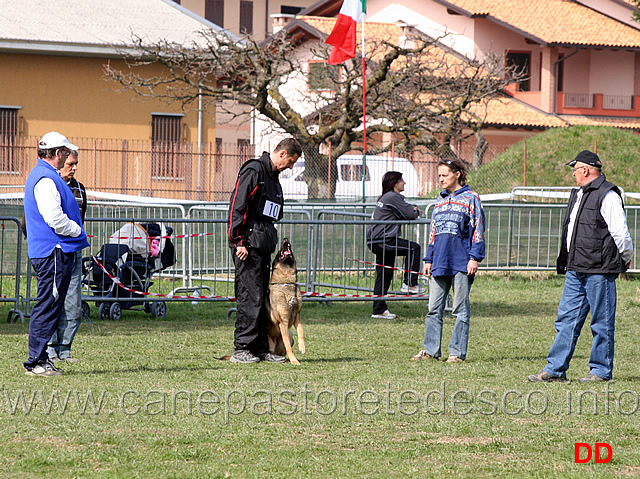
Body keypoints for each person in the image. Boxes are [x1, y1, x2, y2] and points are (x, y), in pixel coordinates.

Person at [528, 150, 632, 383]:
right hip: (576, 268)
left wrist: (625, 257)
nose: (573, 174)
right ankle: (555, 370)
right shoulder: (579, 194)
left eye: (574, 169)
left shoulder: (608, 195)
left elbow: (620, 233)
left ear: (585, 170)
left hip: (600, 269)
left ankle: (600, 371)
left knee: (602, 322)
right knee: (566, 319)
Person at [227, 138, 302, 364]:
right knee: (250, 297)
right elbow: (236, 206)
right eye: (290, 162)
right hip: (247, 247)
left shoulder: (272, 178)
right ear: (281, 154)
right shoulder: (254, 172)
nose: (290, 167)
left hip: (262, 247)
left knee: (262, 300)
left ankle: (260, 349)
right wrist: (238, 240)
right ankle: (242, 348)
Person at [23, 132, 89, 376]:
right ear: (58, 153)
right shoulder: (45, 179)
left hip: (53, 250)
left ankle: (40, 360)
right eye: (65, 153)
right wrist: (76, 229)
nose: (66, 158)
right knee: (48, 305)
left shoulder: (43, 175)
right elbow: (54, 218)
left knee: (50, 304)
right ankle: (37, 362)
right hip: (53, 251)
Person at [410, 158, 485, 363]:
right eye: (439, 175)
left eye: (445, 175)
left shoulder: (471, 198)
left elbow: (478, 230)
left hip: (462, 262)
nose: (441, 179)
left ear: (457, 174)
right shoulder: (440, 201)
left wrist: (474, 258)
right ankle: (431, 350)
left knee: (460, 310)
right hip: (439, 262)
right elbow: (433, 233)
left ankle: (457, 352)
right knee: (433, 309)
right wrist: (428, 259)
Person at [46, 150, 87, 363]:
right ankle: (50, 348)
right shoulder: (48, 186)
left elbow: (81, 221)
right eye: (71, 163)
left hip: (74, 253)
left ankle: (65, 349)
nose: (74, 168)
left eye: (76, 164)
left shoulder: (80, 189)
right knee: (53, 300)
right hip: (53, 252)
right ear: (60, 161)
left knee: (73, 303)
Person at [366, 171, 423, 320]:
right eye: (401, 180)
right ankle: (410, 283)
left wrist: (412, 211)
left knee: (384, 274)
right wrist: (416, 212)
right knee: (413, 248)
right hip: (383, 239)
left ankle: (379, 310)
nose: (404, 183)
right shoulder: (392, 196)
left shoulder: (388, 197)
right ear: (394, 183)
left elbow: (403, 212)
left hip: (376, 239)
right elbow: (409, 213)